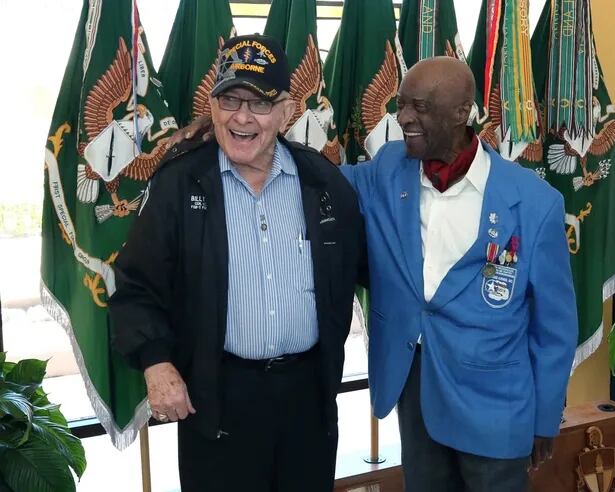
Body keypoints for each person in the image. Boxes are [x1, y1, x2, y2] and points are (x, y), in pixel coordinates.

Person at [172, 56, 578, 492]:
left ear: (462, 112)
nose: (403, 118)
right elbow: (314, 176)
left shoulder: (535, 203)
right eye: (401, 105)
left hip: (497, 409)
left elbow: (554, 327)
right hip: (416, 395)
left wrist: (545, 417)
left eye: (420, 107)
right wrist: (235, 127)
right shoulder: (388, 169)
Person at [109, 34, 364, 492]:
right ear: (211, 106)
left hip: (308, 400)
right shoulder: (179, 184)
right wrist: (156, 362)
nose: (242, 117)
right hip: (218, 399)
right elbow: (135, 287)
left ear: (286, 111)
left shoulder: (324, 183)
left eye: (260, 103)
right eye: (230, 100)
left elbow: (360, 266)